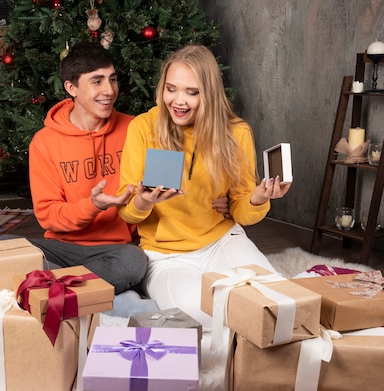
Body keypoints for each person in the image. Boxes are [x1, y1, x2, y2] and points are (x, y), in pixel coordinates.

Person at [26, 42, 230, 313]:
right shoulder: (45, 142)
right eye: (96, 81)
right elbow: (49, 216)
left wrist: (219, 199)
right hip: (62, 249)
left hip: (117, 251)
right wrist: (94, 205)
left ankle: (52, 291)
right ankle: (91, 291)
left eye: (112, 79)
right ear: (71, 88)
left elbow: (172, 186)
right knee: (6, 248)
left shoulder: (137, 128)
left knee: (133, 263)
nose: (109, 91)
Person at [117, 44, 292, 327]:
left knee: (275, 302)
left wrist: (258, 198)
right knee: (205, 315)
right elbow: (126, 212)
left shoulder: (236, 132)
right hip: (166, 255)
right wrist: (144, 201)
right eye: (171, 89)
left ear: (208, 94)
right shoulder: (143, 128)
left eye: (192, 92)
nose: (178, 101)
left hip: (221, 240)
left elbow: (241, 210)